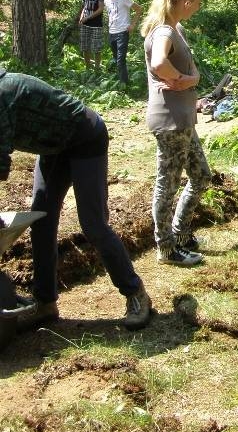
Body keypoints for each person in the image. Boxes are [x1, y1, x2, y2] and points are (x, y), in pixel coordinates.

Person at [0, 68, 151, 331]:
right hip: (53, 147)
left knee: (93, 225)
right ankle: (45, 303)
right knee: (42, 221)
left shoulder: (2, 95)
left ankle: (135, 293)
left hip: (86, 138)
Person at [141, 0, 211, 267]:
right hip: (170, 123)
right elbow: (159, 63)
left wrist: (187, 85)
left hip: (183, 120)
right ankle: (166, 248)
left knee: (201, 176)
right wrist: (181, 82)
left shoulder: (174, 28)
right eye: (196, 4)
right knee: (167, 186)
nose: (196, 9)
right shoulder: (164, 31)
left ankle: (180, 233)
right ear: (187, 1)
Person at [103, 0, 142, 85]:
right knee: (116, 59)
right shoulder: (106, 0)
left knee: (120, 60)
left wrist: (132, 25)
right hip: (111, 33)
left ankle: (124, 85)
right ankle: (121, 80)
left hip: (122, 32)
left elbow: (139, 9)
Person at [79, 0, 105, 70]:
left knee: (96, 48)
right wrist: (82, 17)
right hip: (85, 24)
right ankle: (88, 68)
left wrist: (88, 17)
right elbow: (84, 7)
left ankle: (97, 69)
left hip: (96, 25)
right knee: (85, 47)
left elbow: (101, 9)